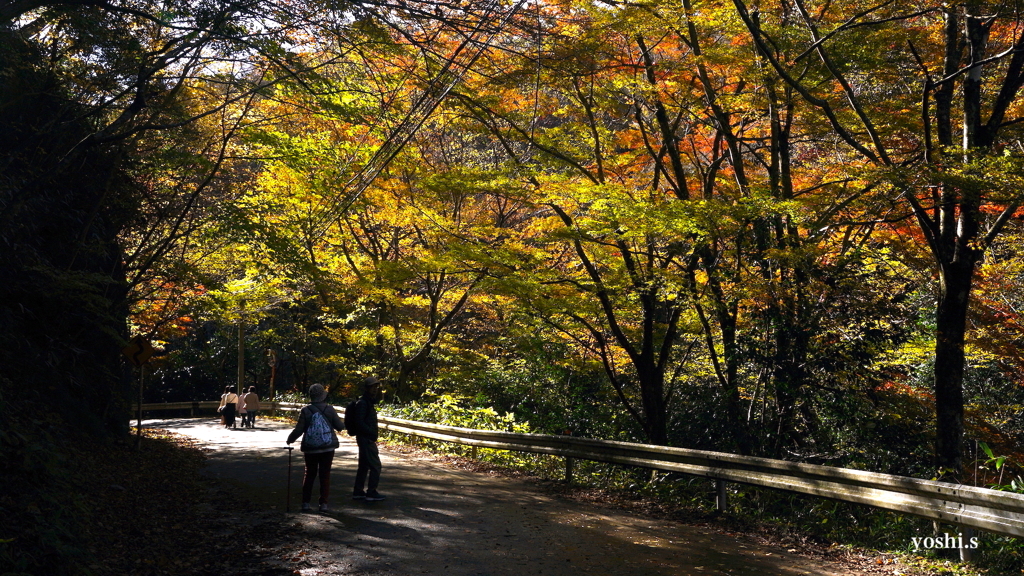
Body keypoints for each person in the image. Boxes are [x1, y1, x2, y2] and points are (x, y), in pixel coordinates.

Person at [286, 383, 345, 512]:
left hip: (310, 448)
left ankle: (306, 503)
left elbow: (299, 429)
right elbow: (340, 427)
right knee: (325, 475)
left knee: (309, 474)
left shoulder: (306, 410)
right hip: (328, 447)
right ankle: (323, 504)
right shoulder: (330, 409)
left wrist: (290, 439)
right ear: (323, 396)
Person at [349, 376, 384, 501]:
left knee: (364, 465)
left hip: (365, 438)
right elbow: (359, 422)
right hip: (366, 438)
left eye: (376, 387)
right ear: (366, 388)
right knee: (376, 466)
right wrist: (370, 433)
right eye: (372, 387)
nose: (375, 389)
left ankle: (358, 491)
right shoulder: (363, 403)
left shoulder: (368, 402)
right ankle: (371, 492)